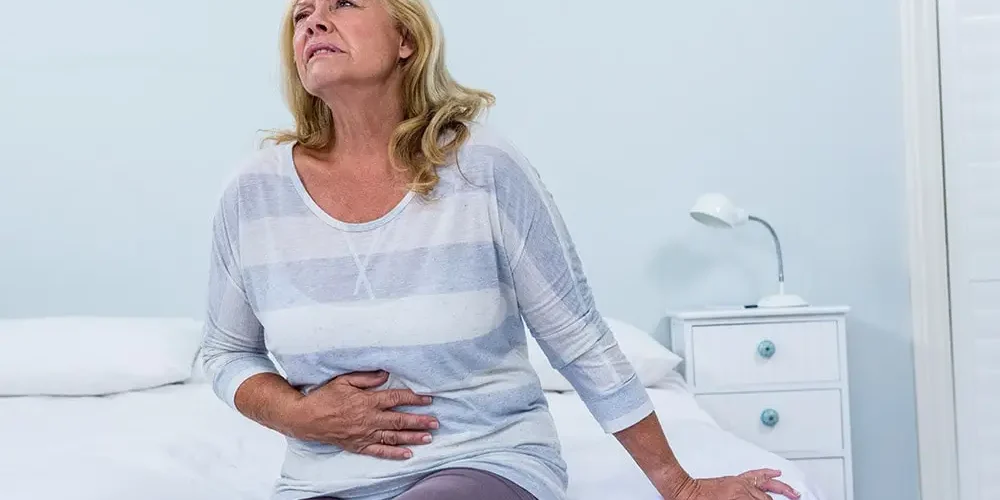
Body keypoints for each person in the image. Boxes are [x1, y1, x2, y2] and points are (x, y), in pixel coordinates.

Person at [200, 1, 801, 499]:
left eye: (344, 4)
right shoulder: (253, 194)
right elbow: (226, 352)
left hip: (481, 462)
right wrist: (298, 415)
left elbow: (578, 334)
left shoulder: (481, 169)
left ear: (407, 38)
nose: (313, 21)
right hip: (319, 481)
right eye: (301, 15)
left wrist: (679, 484)